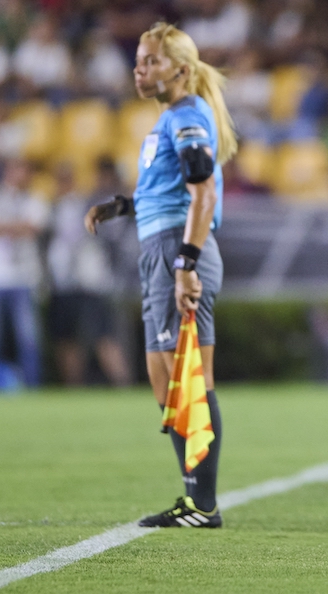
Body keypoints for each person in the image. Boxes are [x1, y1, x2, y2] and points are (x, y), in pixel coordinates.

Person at [84, 22, 237, 528]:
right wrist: (121, 207)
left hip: (178, 249)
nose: (139, 69)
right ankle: (193, 496)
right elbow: (169, 188)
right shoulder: (170, 118)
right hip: (160, 247)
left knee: (191, 376)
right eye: (138, 60)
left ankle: (203, 504)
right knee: (164, 380)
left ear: (181, 70)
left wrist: (186, 264)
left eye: (150, 61)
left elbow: (202, 193)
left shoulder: (187, 115)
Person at [47, 163, 131, 387]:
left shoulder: (86, 205)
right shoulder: (53, 208)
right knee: (67, 339)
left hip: (91, 281)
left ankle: (122, 383)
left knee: (104, 337)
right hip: (64, 282)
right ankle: (73, 385)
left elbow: (107, 239)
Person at [0, 157, 49, 387]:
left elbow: (34, 228)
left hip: (24, 277)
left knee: (29, 339)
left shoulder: (34, 199)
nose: (24, 176)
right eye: (20, 170)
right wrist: (15, 226)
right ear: (8, 172)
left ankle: (32, 385)